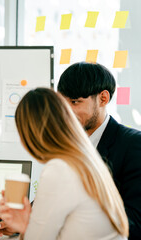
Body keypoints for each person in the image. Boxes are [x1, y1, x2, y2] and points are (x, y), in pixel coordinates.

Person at [0, 88, 128, 240]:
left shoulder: (59, 168)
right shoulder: (86, 159)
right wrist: (25, 224)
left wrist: (24, 224)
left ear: (29, 133)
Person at [57, 62, 141, 240]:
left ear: (103, 98)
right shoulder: (68, 145)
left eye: (75, 102)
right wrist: (22, 217)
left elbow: (134, 221)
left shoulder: (133, 144)